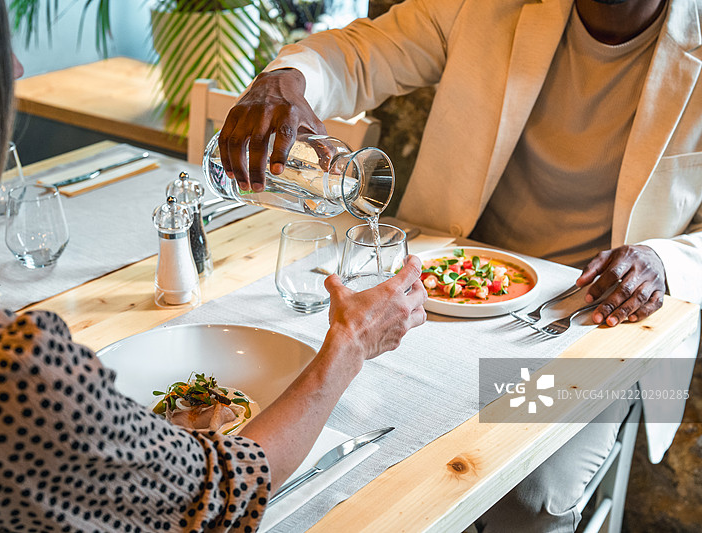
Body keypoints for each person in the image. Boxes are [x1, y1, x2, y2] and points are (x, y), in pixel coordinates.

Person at [0, 1, 428, 531]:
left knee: (502, 417)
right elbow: (220, 495)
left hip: (481, 269)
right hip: (455, 314)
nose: (16, 69)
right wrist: (352, 343)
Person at [216, 0, 702, 530]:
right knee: (305, 421)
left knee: (527, 496)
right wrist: (287, 79)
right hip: (437, 294)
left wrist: (664, 258)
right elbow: (358, 54)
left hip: (588, 325)